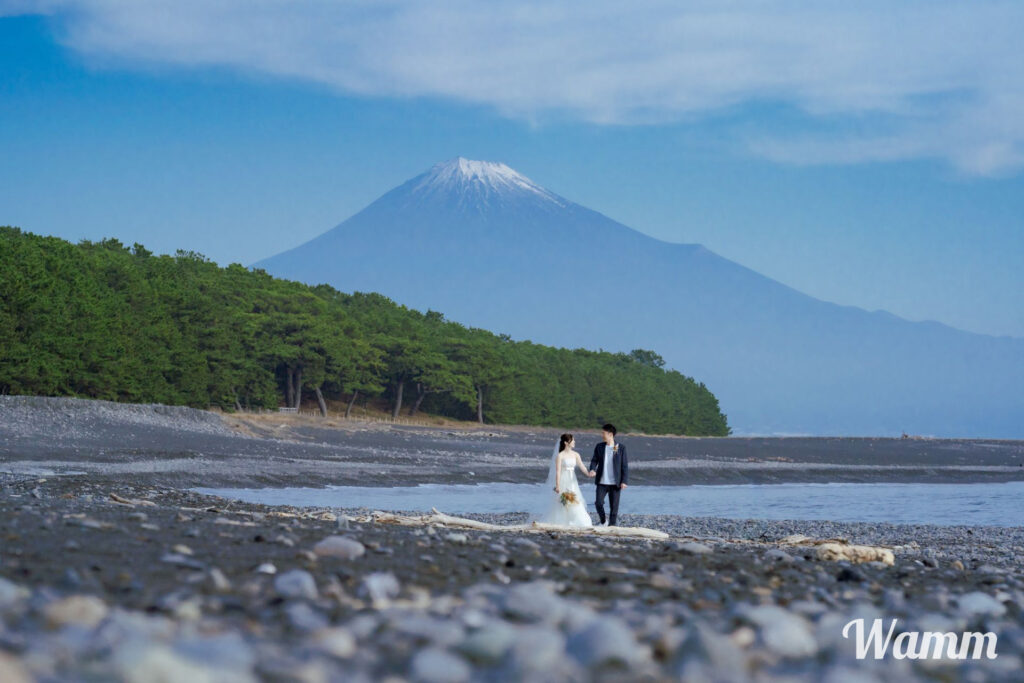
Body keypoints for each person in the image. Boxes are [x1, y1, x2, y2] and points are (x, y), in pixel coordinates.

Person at [533, 433, 594, 526]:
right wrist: (557, 485)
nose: (574, 442)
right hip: (563, 480)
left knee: (575, 499)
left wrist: (589, 474)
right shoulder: (560, 456)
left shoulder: (576, 454)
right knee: (563, 501)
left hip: (572, 480)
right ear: (566, 443)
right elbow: (558, 472)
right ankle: (563, 521)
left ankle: (579, 521)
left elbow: (582, 466)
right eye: (572, 440)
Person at [588, 423, 628, 526]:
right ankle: (603, 521)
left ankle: (612, 526)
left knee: (614, 507)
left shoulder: (620, 448)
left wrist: (624, 481)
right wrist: (592, 469)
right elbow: (594, 460)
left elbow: (624, 466)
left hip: (615, 483)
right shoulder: (599, 446)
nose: (602, 435)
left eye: (603, 433)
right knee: (598, 503)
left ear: (610, 434)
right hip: (602, 481)